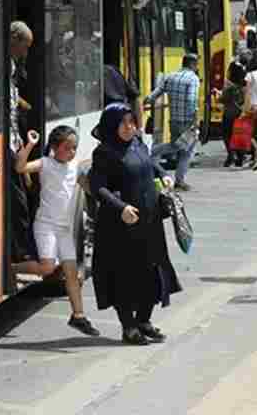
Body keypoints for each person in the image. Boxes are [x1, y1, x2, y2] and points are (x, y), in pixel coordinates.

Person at [89, 103, 183, 345]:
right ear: (112, 125)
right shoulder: (105, 153)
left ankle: (144, 320)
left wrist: (163, 174)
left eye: (132, 121)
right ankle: (128, 326)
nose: (130, 127)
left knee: (152, 269)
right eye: (124, 123)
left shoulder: (137, 143)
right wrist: (121, 208)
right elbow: (98, 186)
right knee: (125, 275)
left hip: (149, 221)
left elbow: (149, 163)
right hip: (121, 226)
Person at [12, 126, 102, 335]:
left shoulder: (75, 168)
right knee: (47, 268)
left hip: (64, 229)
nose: (72, 152)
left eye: (74, 148)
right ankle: (12, 270)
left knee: (71, 273)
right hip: (46, 225)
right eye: (67, 148)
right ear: (55, 148)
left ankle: (78, 316)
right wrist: (31, 144)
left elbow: (89, 188)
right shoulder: (46, 164)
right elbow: (20, 167)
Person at [144, 53, 202, 191]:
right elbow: (191, 101)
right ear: (193, 64)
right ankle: (152, 151)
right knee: (183, 149)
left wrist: (148, 99)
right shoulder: (193, 79)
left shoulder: (171, 76)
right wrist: (195, 120)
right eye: (197, 64)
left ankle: (180, 180)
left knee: (184, 149)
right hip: (186, 121)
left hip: (174, 120)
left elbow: (158, 91)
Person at [8, 21, 36, 263]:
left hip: (14, 142)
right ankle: (21, 251)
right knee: (19, 202)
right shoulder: (3, 65)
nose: (25, 53)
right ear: (13, 40)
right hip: (6, 144)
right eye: (24, 46)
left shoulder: (12, 66)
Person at [221, 62, 248, 168]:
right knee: (239, 136)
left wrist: (219, 95)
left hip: (229, 114)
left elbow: (224, 99)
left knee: (227, 135)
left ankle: (231, 156)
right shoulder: (245, 84)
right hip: (241, 114)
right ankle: (240, 157)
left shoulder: (229, 86)